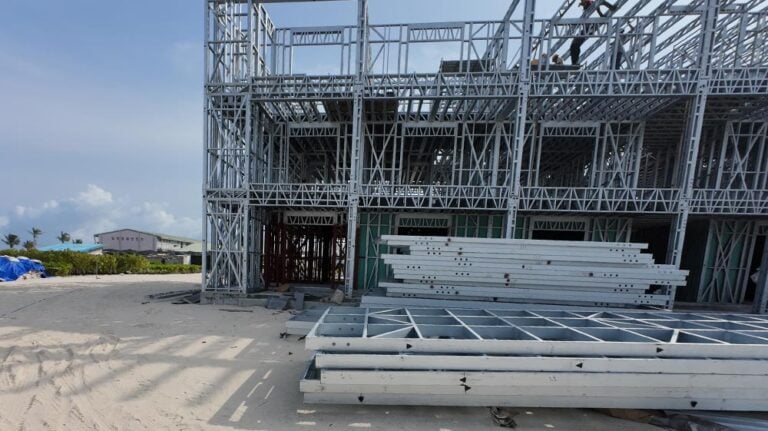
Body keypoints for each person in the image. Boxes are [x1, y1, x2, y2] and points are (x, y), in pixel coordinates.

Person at [570, 0, 617, 66]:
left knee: (575, 47)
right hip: (583, 34)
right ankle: (575, 63)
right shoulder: (588, 6)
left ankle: (575, 63)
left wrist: (601, 14)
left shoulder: (591, 3)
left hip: (583, 33)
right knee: (575, 48)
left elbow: (596, 5)